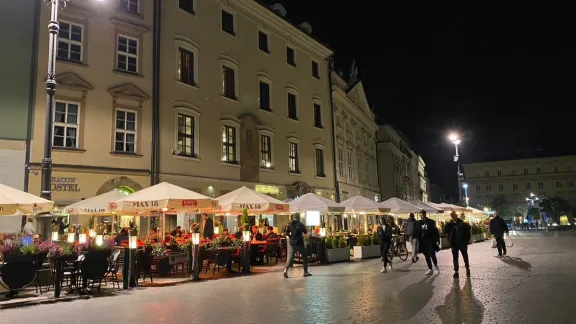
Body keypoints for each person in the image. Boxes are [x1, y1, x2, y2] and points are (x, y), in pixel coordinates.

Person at [444, 212, 471, 278]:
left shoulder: (462, 224)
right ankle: (456, 271)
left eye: (454, 215)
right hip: (454, 244)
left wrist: (465, 242)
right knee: (455, 258)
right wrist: (449, 240)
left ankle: (467, 268)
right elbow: (445, 232)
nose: (453, 217)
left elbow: (468, 234)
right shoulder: (450, 224)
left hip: (462, 243)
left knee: (465, 256)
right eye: (451, 216)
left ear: (456, 216)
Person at [419, 210, 440, 275]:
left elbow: (435, 231)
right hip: (423, 242)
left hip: (430, 241)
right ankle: (430, 268)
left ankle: (436, 266)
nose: (421, 217)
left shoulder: (431, 222)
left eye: (422, 215)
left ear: (425, 215)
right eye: (420, 216)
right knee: (426, 256)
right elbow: (417, 231)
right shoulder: (419, 223)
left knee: (432, 255)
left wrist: (437, 240)